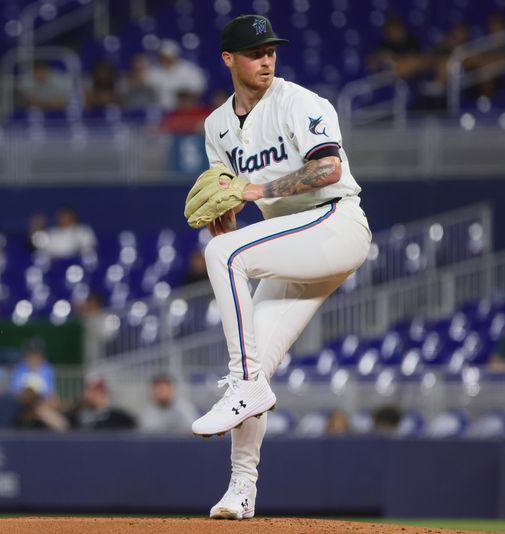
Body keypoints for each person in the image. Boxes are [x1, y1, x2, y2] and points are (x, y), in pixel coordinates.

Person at [188, 15, 372, 520]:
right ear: (229, 59)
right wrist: (224, 216)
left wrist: (255, 193)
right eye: (254, 51)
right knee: (255, 359)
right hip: (292, 245)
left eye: (270, 49)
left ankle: (244, 383)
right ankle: (241, 490)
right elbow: (228, 198)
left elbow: (328, 167)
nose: (266, 58)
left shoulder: (299, 102)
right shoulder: (217, 126)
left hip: (335, 223)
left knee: (225, 261)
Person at [147, 39, 207, 111]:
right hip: (162, 111)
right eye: (163, 57)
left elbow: (198, 88)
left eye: (169, 57)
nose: (166, 60)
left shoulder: (188, 69)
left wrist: (185, 95)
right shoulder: (154, 72)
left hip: (185, 110)